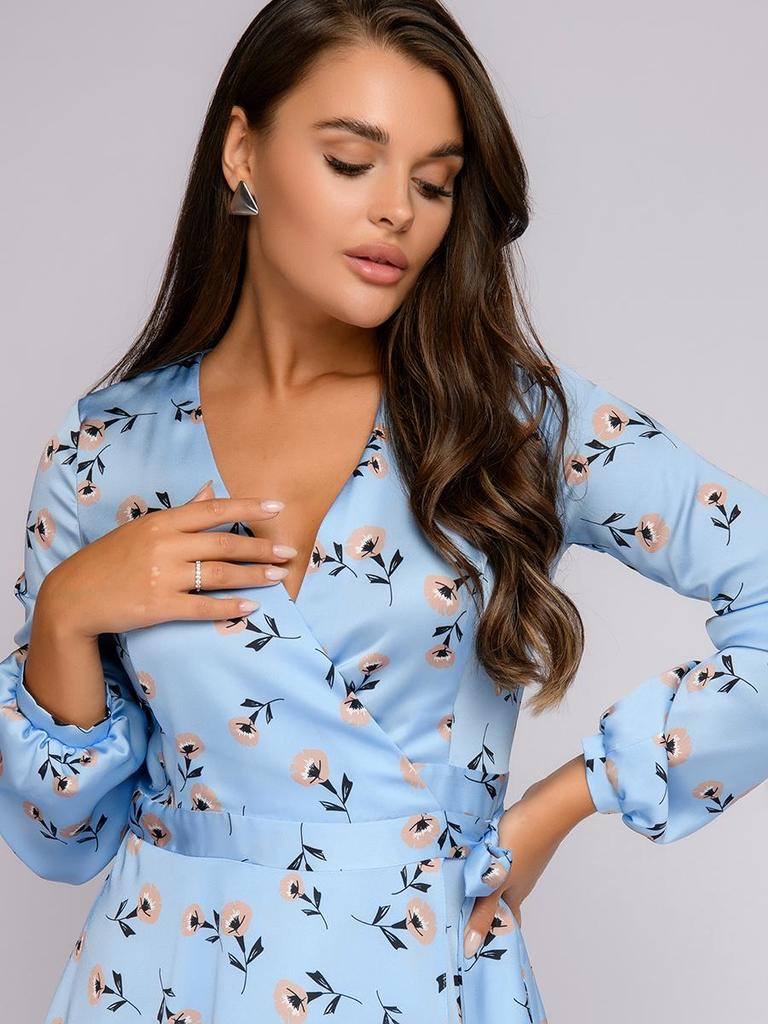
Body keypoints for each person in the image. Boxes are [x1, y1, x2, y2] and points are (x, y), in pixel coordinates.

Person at [1, 2, 766, 1022]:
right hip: (157, 984)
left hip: (418, 979)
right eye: (351, 162)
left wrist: (566, 801)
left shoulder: (510, 423)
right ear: (242, 153)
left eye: (434, 183)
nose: (398, 211)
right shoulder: (106, 446)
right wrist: (66, 610)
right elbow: (60, 842)